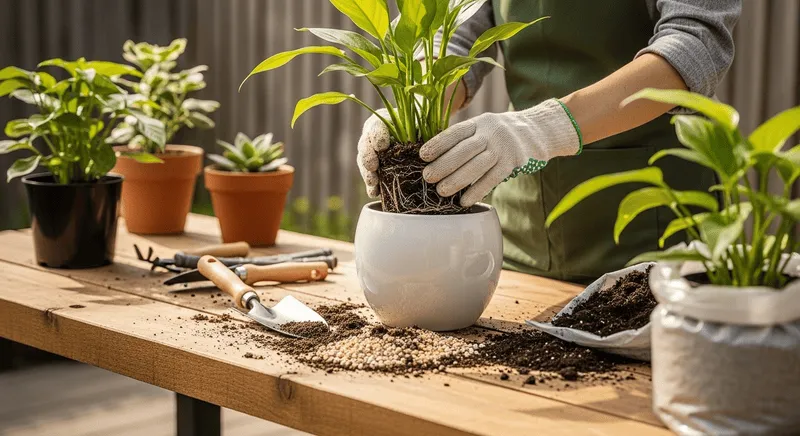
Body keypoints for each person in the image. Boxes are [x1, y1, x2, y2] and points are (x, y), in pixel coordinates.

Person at [357, 0, 742, 284]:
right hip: (524, 230)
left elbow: (695, 42)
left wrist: (544, 128)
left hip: (654, 225)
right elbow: (454, 35)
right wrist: (414, 107)